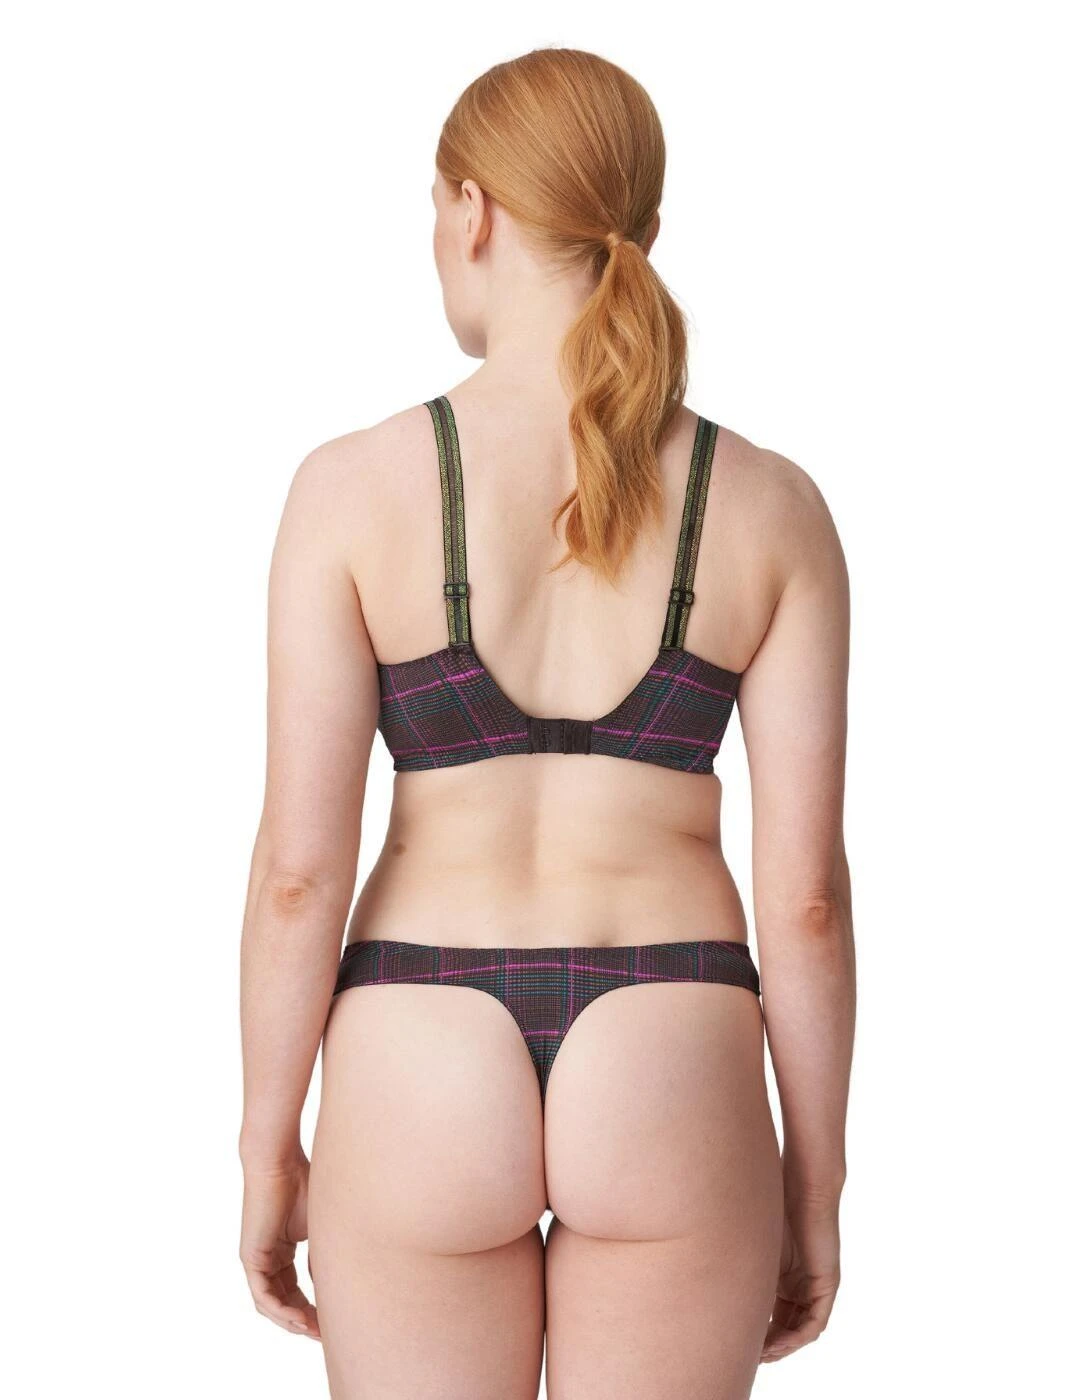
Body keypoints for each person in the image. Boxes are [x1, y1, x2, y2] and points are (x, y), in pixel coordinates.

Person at [238, 45, 855, 1400]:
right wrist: (815, 1185)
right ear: (642, 229)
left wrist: (269, 1147)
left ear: (473, 212)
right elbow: (805, 903)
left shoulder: (351, 490)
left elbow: (297, 876)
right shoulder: (773, 507)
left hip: (418, 1047)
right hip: (673, 1046)